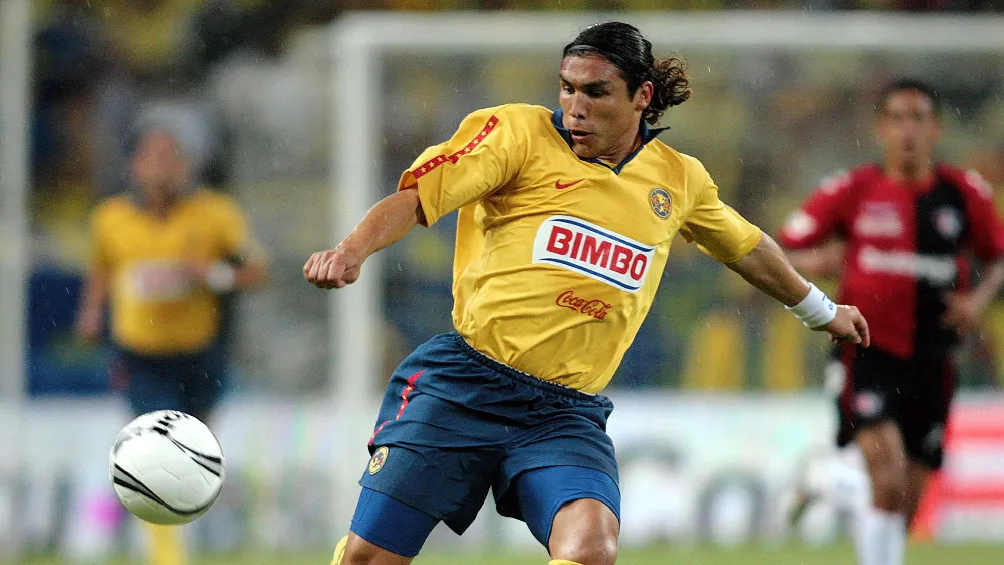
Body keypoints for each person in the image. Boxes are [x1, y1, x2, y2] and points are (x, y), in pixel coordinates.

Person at [306, 22, 868, 565]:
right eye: (567, 88)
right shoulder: (516, 134)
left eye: (596, 92)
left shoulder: (678, 179)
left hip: (563, 411)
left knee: (591, 549)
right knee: (368, 559)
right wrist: (353, 250)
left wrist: (820, 310)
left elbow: (745, 247)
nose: (576, 106)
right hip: (466, 385)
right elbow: (417, 197)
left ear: (642, 96)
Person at [779, 78, 1004, 565]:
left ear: (936, 129)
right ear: (880, 128)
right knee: (888, 480)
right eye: (897, 118)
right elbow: (779, 251)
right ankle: (843, 488)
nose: (908, 130)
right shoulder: (853, 190)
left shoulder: (963, 194)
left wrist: (978, 300)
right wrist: (826, 260)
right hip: (867, 352)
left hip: (935, 359)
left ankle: (830, 483)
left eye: (918, 118)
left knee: (905, 504)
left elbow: (997, 257)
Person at [76, 126, 268, 565]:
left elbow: (258, 271)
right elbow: (102, 269)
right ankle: (163, 552)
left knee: (193, 449)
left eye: (171, 157)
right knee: (159, 447)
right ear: (135, 166)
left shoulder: (215, 214)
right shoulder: (111, 218)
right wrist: (90, 313)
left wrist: (213, 275)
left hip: (199, 353)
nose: (162, 167)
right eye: (153, 157)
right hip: (140, 354)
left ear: (186, 166)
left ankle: (140, 522)